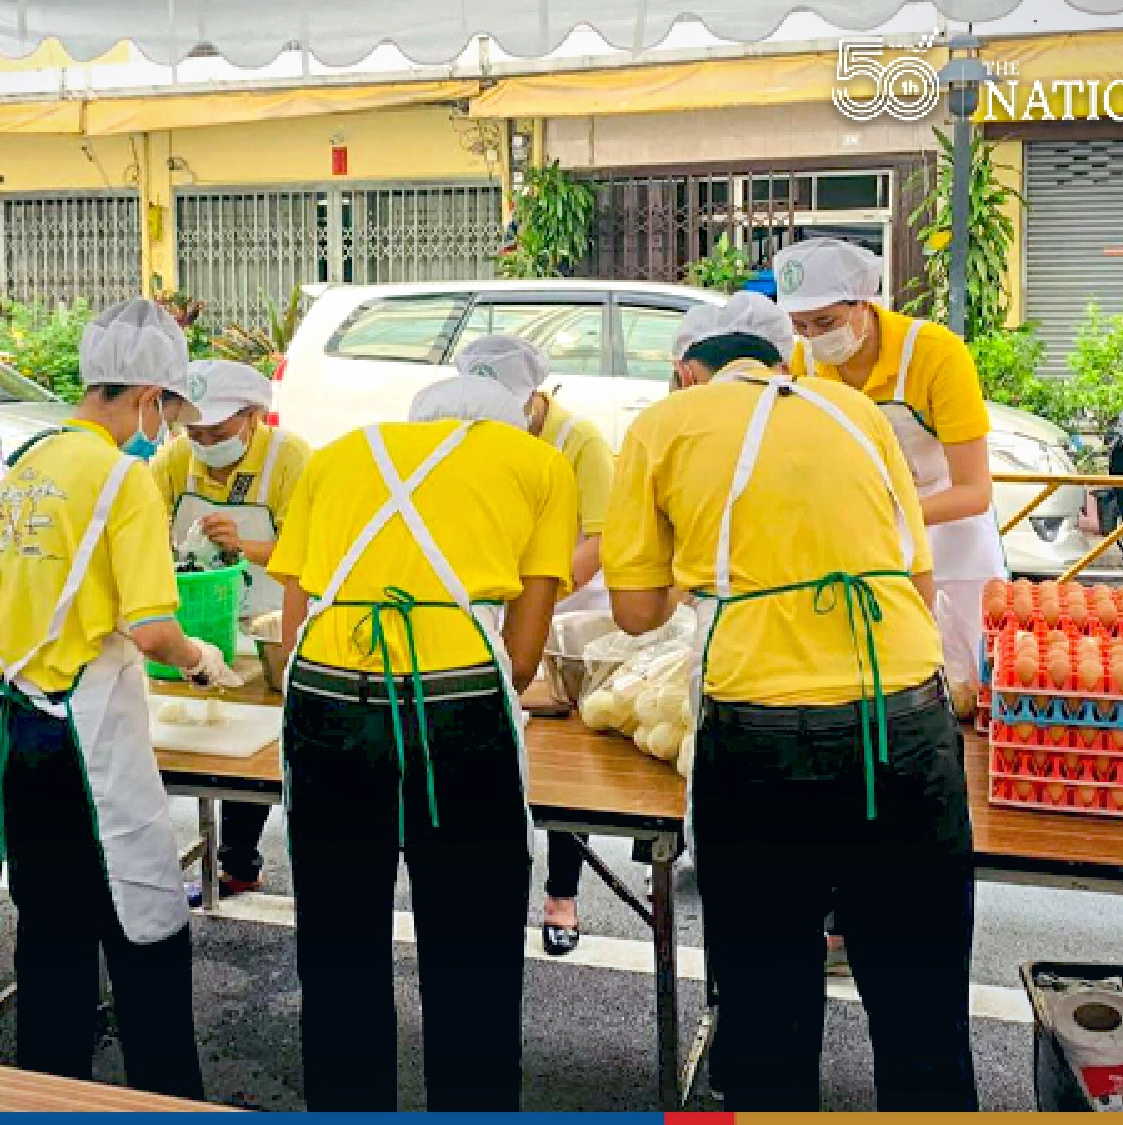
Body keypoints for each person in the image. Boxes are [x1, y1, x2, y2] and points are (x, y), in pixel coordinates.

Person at [602, 292, 976, 1111]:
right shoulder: (857, 414)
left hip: (761, 737)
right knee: (923, 1007)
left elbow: (633, 612)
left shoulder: (663, 425)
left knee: (769, 1008)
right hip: (904, 721)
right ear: (783, 361)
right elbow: (917, 583)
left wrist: (705, 568)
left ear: (688, 370)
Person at [266, 394, 578, 1110]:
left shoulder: (336, 455)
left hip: (325, 697)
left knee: (337, 945)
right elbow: (522, 657)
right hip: (456, 704)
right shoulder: (539, 463)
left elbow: (290, 630)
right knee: (472, 951)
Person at [0, 298, 237, 1098]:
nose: (166, 429)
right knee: (146, 927)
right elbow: (155, 628)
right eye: (169, 412)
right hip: (86, 742)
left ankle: (49, 1096)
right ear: (148, 397)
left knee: (50, 942)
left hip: (20, 726)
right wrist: (202, 660)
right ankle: (166, 1101)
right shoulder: (123, 478)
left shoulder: (26, 465)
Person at [776, 237, 1006, 693]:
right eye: (800, 326)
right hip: (863, 541)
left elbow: (975, 491)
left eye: (826, 322)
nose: (815, 338)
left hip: (950, 534)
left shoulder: (934, 352)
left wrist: (886, 515)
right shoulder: (806, 362)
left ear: (864, 302)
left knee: (964, 677)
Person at [452, 334, 617, 957]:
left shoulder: (579, 440)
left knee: (565, 763)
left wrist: (541, 595)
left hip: (571, 604)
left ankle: (562, 894)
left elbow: (600, 537)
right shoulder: (469, 432)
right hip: (500, 600)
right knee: (502, 746)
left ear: (536, 395)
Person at [151, 357, 311, 896]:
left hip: (271, 625)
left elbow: (315, 552)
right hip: (203, 619)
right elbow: (144, 526)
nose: (203, 442)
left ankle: (239, 860)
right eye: (194, 431)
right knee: (206, 732)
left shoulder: (290, 460)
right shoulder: (175, 460)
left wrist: (246, 545)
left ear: (253, 417)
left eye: (216, 432)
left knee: (262, 745)